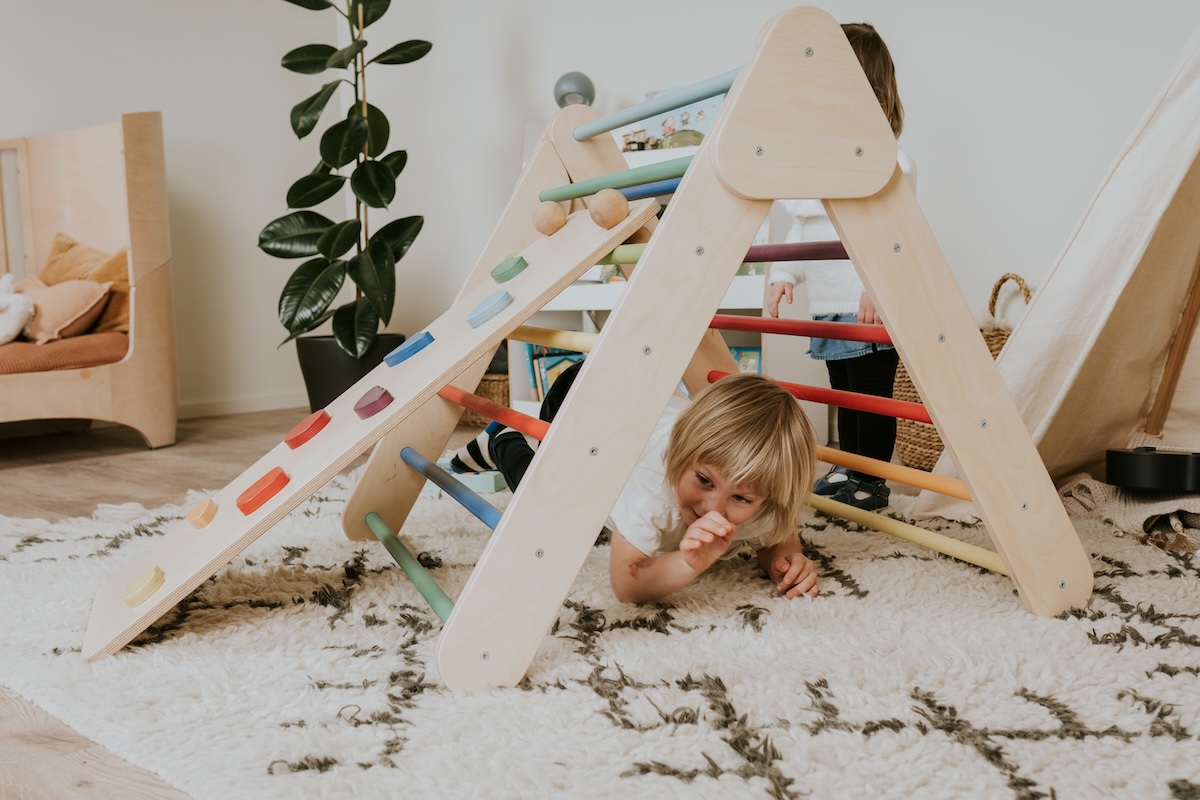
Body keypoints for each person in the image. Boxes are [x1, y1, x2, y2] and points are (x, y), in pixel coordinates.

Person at [458, 362, 819, 604]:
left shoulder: (762, 494)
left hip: (635, 398)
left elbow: (777, 540)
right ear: (683, 459)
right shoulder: (653, 486)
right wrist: (687, 563)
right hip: (582, 395)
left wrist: (787, 562)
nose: (714, 508)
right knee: (552, 504)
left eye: (740, 498)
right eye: (704, 480)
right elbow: (627, 585)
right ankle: (503, 440)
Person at [766, 21, 916, 512]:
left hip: (868, 307)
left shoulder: (890, 162)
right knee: (844, 396)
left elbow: (895, 237)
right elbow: (802, 232)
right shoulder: (820, 169)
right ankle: (851, 468)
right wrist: (784, 276)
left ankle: (872, 479)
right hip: (830, 309)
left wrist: (879, 286)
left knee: (871, 399)